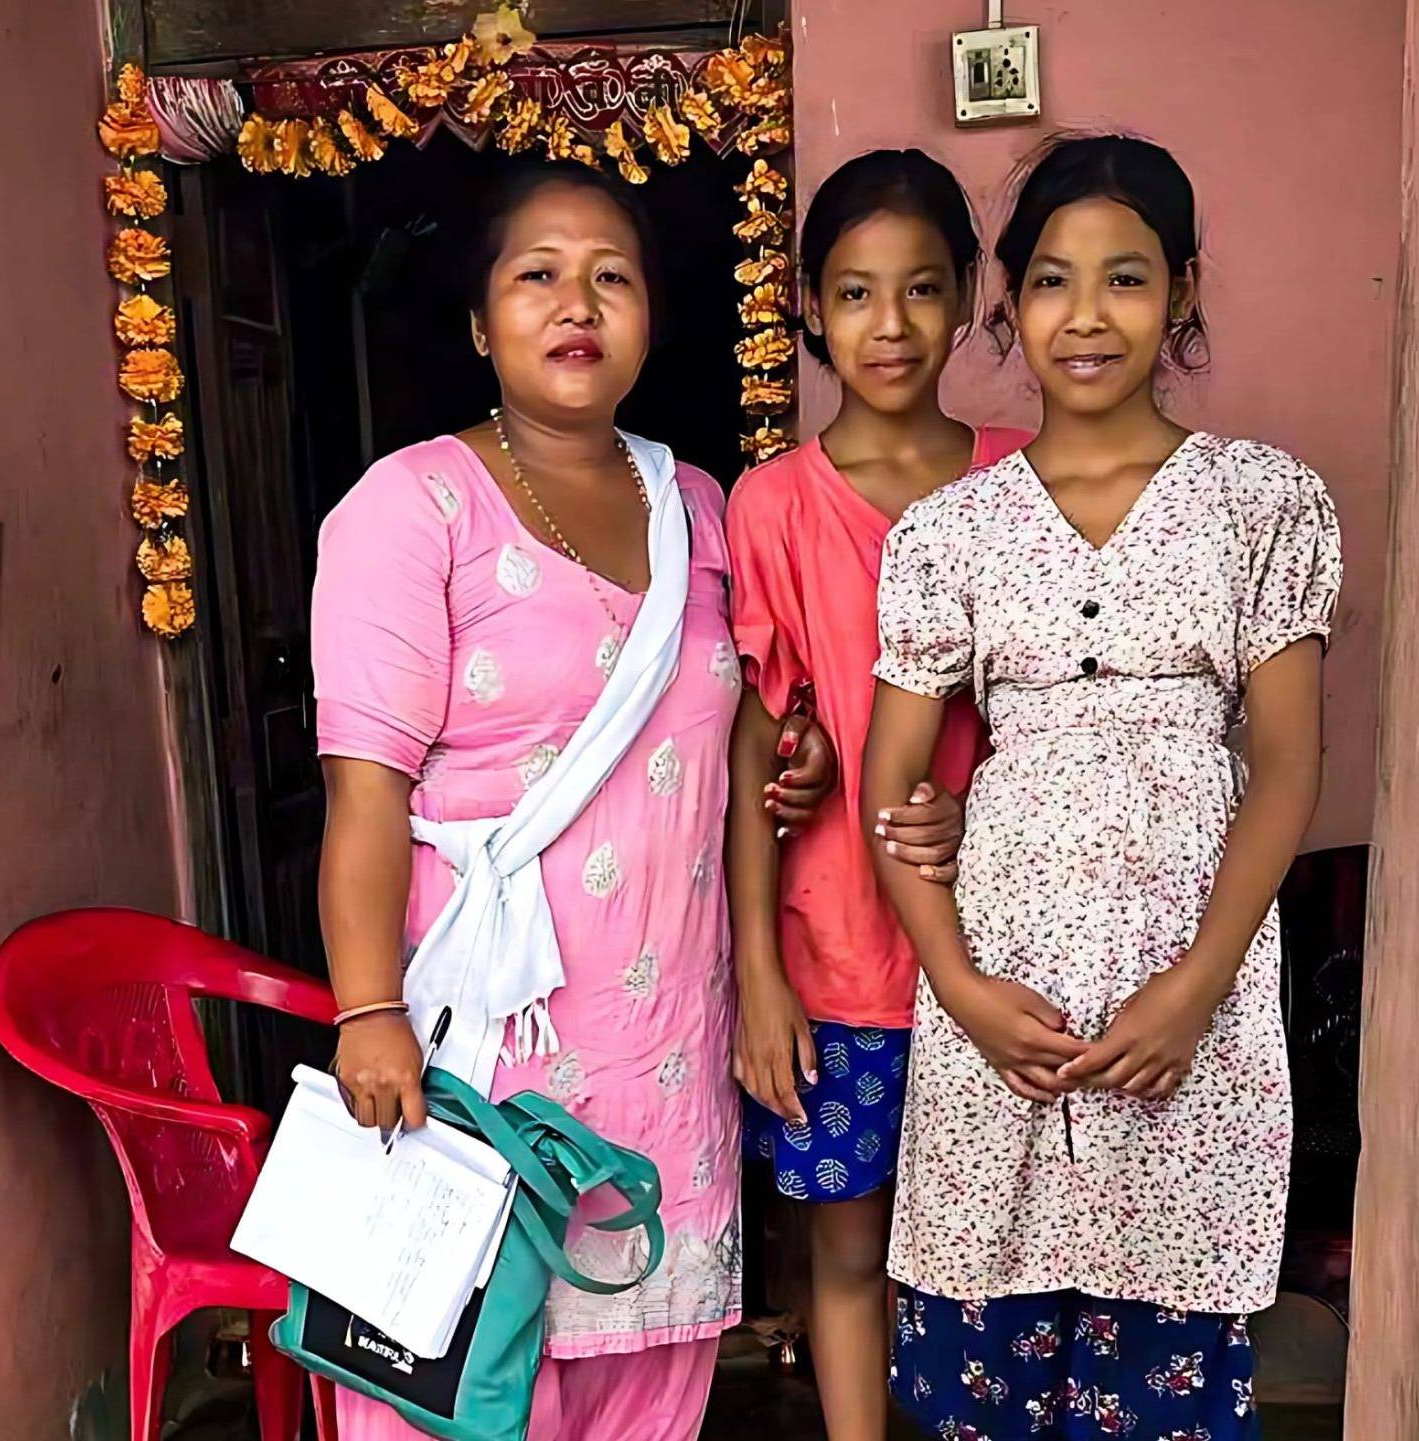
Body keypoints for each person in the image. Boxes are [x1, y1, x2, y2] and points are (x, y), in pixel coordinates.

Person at [310, 160, 836, 1441]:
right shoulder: (410, 504)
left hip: (664, 1045)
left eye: (611, 274)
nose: (575, 301)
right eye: (536, 274)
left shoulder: (697, 504)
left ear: (652, 315)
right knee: (462, 1380)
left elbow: (715, 741)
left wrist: (792, 767)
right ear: (483, 322)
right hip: (480, 1054)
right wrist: (368, 1007)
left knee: (645, 1387)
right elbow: (365, 792)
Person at [864, 133, 1342, 1440]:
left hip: (1186, 996)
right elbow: (889, 786)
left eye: (1125, 279)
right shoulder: (948, 533)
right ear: (1008, 302)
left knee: (1165, 1370)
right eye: (1052, 281)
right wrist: (956, 986)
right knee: (987, 1379)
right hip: (997, 1004)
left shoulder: (1260, 500)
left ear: (1182, 290)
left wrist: (1197, 987)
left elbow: (1288, 767)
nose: (1085, 316)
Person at [725, 149, 1029, 1441]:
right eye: (854, 293)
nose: (888, 325)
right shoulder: (774, 507)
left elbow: (1075, 719)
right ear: (807, 305)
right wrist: (757, 972)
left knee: (996, 1275)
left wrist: (991, 810)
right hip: (838, 959)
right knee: (845, 1261)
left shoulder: (1029, 478)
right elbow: (758, 746)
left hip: (1014, 958)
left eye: (919, 289)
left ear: (966, 299)